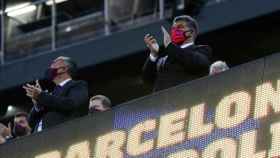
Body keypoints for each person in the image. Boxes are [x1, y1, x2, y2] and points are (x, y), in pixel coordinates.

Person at [142, 15, 212, 92]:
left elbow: (198, 63)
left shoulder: (201, 49)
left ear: (190, 32)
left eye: (180, 27)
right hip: (161, 102)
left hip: (185, 101)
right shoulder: (164, 57)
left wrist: (170, 45)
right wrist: (153, 54)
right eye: (173, 28)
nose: (175, 30)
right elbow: (147, 80)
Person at [23, 56, 89, 132]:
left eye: (54, 63)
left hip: (60, 136)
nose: (50, 66)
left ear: (64, 69)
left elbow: (70, 104)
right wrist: (38, 104)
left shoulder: (78, 85)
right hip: (38, 139)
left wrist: (41, 96)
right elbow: (31, 123)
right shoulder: (50, 95)